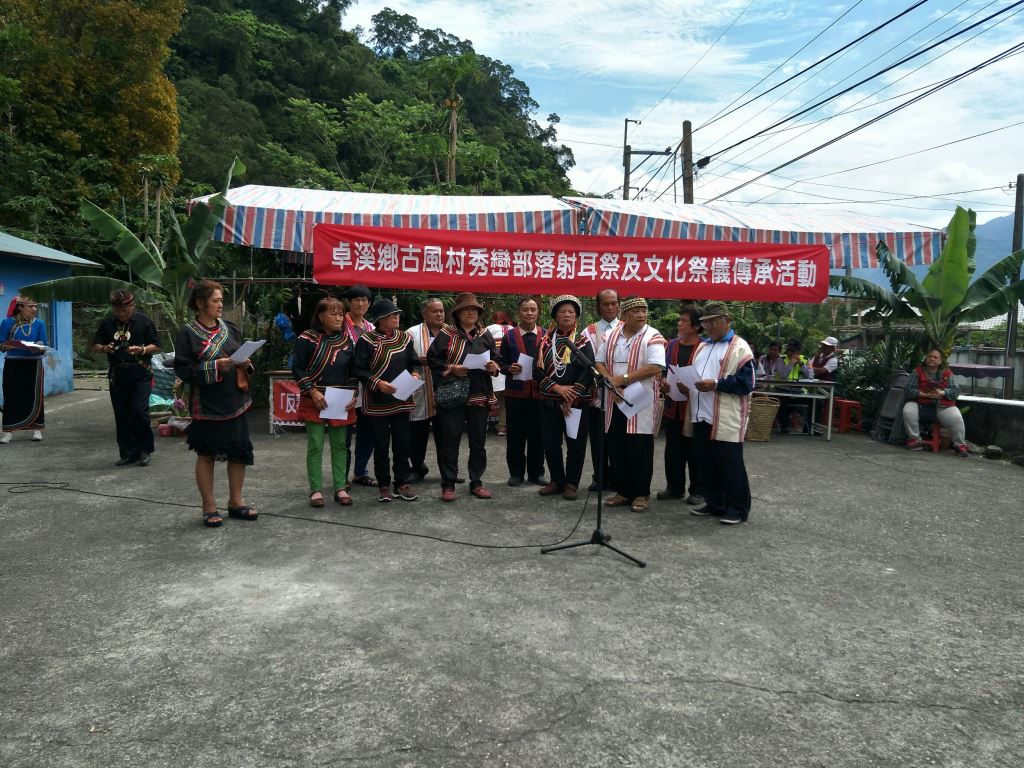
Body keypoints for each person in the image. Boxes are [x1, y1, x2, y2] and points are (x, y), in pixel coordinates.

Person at [173, 280, 257, 528]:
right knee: (206, 454)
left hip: (235, 400)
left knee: (239, 451)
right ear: (200, 303)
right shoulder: (188, 333)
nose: (220, 305)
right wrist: (216, 366)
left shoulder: (230, 328)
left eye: (221, 300)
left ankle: (236, 501)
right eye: (215, 300)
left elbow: (241, 355)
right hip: (207, 404)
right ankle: (209, 506)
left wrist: (246, 363)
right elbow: (184, 370)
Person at [595, 296, 666, 514]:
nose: (641, 314)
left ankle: (641, 493)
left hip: (640, 400)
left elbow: (656, 366)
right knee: (616, 445)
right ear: (624, 315)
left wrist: (623, 379)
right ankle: (623, 491)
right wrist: (611, 383)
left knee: (640, 447)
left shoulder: (652, 336)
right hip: (615, 397)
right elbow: (599, 362)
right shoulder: (610, 335)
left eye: (644, 310)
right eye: (636, 311)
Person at [428, 292, 501, 502]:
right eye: (467, 309)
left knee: (478, 442)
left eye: (475, 310)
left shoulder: (485, 335)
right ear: (458, 313)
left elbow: (497, 359)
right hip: (453, 396)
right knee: (450, 440)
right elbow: (433, 360)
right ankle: (448, 484)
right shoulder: (446, 334)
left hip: (479, 395)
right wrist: (452, 368)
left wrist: (494, 366)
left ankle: (476, 482)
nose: (471, 312)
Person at [689, 302, 755, 525]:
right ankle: (714, 503)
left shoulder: (739, 347)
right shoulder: (703, 347)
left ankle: (738, 508)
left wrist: (716, 384)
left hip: (725, 416)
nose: (708, 327)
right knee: (707, 463)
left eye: (713, 322)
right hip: (701, 414)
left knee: (730, 464)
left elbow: (747, 383)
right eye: (705, 323)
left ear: (727, 320)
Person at [354, 298, 421, 502]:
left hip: (401, 400)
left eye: (397, 314)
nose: (397, 317)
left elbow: (414, 362)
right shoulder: (366, 341)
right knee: (381, 445)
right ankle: (384, 484)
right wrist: (377, 383)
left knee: (402, 444)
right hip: (377, 402)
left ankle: (401, 483)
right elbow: (359, 370)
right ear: (381, 319)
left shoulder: (405, 338)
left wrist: (415, 374)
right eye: (392, 315)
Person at [292, 296, 357, 507]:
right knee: (316, 444)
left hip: (340, 398)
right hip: (315, 398)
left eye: (341, 314)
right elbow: (297, 367)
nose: (339, 318)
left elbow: (353, 372)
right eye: (333, 314)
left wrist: (353, 394)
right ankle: (316, 490)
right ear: (321, 316)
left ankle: (340, 487)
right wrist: (312, 391)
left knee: (340, 445)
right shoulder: (307, 338)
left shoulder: (347, 341)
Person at [90, 290, 161, 466]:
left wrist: (142, 350)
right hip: (118, 373)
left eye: (124, 309)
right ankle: (128, 452)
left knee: (139, 410)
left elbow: (157, 345)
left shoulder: (144, 321)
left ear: (132, 306)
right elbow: (95, 345)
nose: (121, 313)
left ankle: (144, 450)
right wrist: (104, 348)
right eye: (117, 309)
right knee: (121, 413)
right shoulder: (107, 323)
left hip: (140, 372)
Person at [536, 295, 594, 500]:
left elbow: (588, 370)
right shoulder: (544, 341)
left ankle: (571, 483)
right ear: (555, 316)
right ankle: (556, 480)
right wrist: (557, 388)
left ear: (576, 315)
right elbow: (537, 371)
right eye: (563, 311)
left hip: (576, 403)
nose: (567, 315)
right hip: (550, 400)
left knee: (576, 443)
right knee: (551, 443)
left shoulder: (583, 341)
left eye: (571, 311)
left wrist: (571, 394)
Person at [657, 306, 703, 505]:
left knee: (694, 451)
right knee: (672, 450)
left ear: (696, 326)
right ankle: (674, 487)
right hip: (672, 405)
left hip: (694, 408)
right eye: (680, 319)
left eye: (684, 320)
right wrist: (663, 381)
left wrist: (691, 389)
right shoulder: (671, 345)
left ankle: (698, 490)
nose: (679, 323)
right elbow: (664, 370)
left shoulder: (704, 348)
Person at [499, 296, 546, 487]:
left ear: (538, 312)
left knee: (538, 435)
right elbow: (500, 362)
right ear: (519, 312)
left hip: (539, 394)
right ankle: (516, 473)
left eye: (533, 309)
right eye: (525, 309)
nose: (529, 313)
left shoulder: (546, 335)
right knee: (515, 435)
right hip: (515, 394)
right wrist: (509, 368)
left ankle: (537, 473)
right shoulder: (509, 336)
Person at [582, 289, 620, 491]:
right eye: (606, 304)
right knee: (598, 439)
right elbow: (584, 361)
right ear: (598, 307)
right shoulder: (589, 331)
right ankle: (600, 477)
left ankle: (620, 479)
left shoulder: (628, 328)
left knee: (618, 439)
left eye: (614, 303)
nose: (610, 307)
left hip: (620, 393)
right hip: (596, 394)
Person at [406, 297, 445, 482]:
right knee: (417, 434)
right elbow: (401, 358)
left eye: (441, 311)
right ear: (424, 314)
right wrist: (416, 361)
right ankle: (417, 467)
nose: (439, 314)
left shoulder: (451, 333)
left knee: (445, 435)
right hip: (420, 391)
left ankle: (448, 471)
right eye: (434, 311)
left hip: (446, 391)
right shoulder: (411, 333)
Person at [902, 348, 969, 456]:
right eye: (929, 356)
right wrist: (924, 394)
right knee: (908, 410)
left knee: (956, 417)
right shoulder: (917, 371)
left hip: (942, 406)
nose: (932, 359)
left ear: (940, 361)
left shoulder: (947, 373)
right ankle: (914, 440)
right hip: (920, 404)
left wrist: (942, 393)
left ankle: (959, 445)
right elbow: (908, 389)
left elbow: (956, 391)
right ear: (925, 358)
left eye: (935, 357)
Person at [342, 284, 377, 488]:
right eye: (356, 300)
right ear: (349, 302)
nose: (361, 303)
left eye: (364, 300)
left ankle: (360, 472)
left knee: (368, 432)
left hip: (368, 387)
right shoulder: (340, 325)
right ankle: (342, 477)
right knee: (343, 435)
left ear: (369, 304)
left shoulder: (372, 328)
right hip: (345, 386)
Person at [0, 296, 47, 444]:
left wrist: (38, 348)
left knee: (35, 395)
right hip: (13, 364)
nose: (34, 309)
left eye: (35, 306)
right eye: (30, 306)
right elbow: (1, 345)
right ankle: (8, 432)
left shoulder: (39, 323)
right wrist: (16, 345)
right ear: (20, 307)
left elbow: (44, 346)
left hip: (34, 364)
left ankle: (37, 429)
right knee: (11, 396)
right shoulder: (7, 323)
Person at [486, 310, 514, 435]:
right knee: (505, 403)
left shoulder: (489, 329)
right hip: (509, 371)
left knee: (488, 400)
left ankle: (483, 425)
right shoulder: (513, 330)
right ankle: (502, 427)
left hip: (494, 370)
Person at [776, 339, 812, 434]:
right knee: (782, 400)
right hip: (782, 390)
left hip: (798, 391)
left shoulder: (805, 359)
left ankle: (809, 427)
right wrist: (791, 363)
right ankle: (783, 425)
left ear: (798, 351)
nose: (790, 352)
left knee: (817, 402)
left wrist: (801, 364)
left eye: (793, 351)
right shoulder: (780, 359)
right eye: (789, 350)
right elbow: (783, 375)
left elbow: (810, 375)